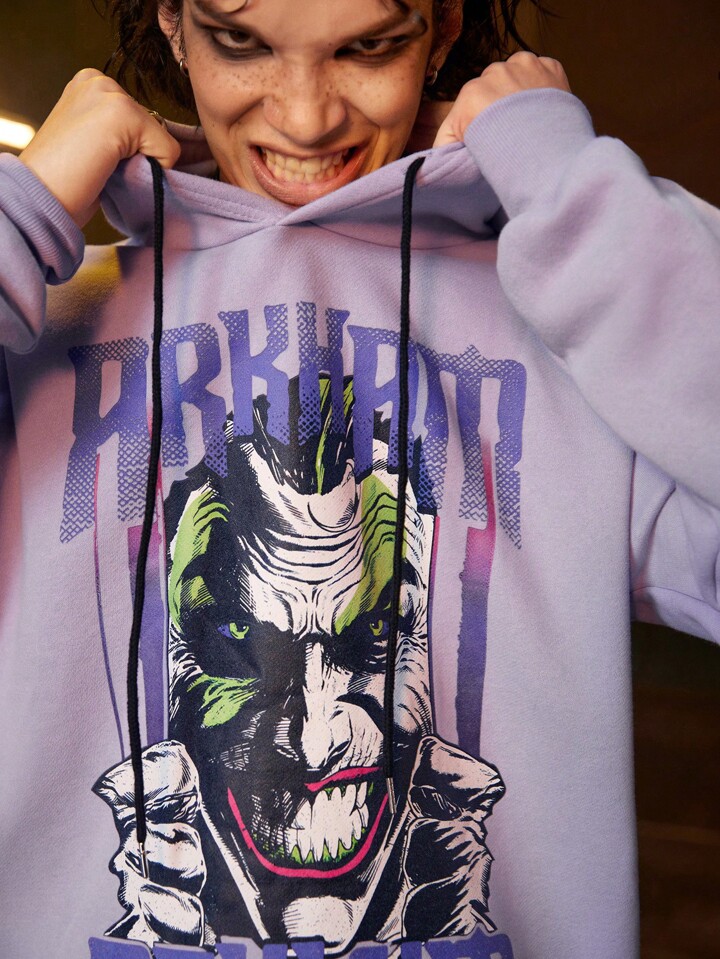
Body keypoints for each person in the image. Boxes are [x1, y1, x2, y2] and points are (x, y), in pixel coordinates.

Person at [0, 1, 718, 957]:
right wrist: (25, 205)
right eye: (241, 41)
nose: (305, 119)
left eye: (367, 46)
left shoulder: (569, 363)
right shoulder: (39, 342)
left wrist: (569, 184)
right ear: (172, 21)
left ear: (442, 28)